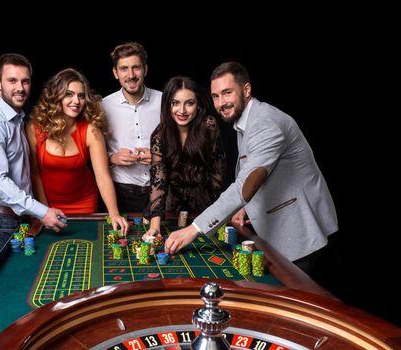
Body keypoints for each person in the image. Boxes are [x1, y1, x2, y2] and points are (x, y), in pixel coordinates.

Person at [164, 62, 338, 275]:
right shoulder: (247, 120)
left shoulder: (265, 125)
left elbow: (244, 187)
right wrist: (244, 207)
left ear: (246, 90)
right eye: (216, 96)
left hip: (299, 229)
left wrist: (194, 229)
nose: (221, 103)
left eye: (227, 93)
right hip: (282, 224)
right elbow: (258, 170)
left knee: (291, 303)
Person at [0, 53, 67, 271]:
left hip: (14, 217)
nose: (20, 88)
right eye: (12, 81)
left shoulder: (17, 118)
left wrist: (32, 213)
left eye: (25, 81)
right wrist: (41, 211)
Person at [26, 68, 129, 233]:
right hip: (48, 205)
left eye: (81, 96)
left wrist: (114, 213)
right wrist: (44, 211)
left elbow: (102, 176)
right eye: (69, 94)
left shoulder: (90, 130)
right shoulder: (34, 128)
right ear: (56, 96)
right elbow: (34, 174)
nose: (76, 101)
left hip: (84, 203)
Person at [143, 76, 224, 238]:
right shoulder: (159, 135)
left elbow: (217, 173)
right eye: (175, 103)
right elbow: (158, 181)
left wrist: (216, 213)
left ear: (198, 105)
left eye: (189, 103)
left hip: (204, 204)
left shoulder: (209, 126)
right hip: (170, 206)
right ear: (168, 105)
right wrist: (155, 226)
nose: (182, 110)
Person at [101, 42, 162, 213]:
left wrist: (159, 156)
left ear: (145, 70)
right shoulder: (103, 106)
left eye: (136, 68)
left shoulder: (164, 101)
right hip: (121, 192)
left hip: (161, 190)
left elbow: (181, 145)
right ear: (115, 73)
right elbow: (90, 154)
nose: (131, 75)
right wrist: (112, 158)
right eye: (124, 69)